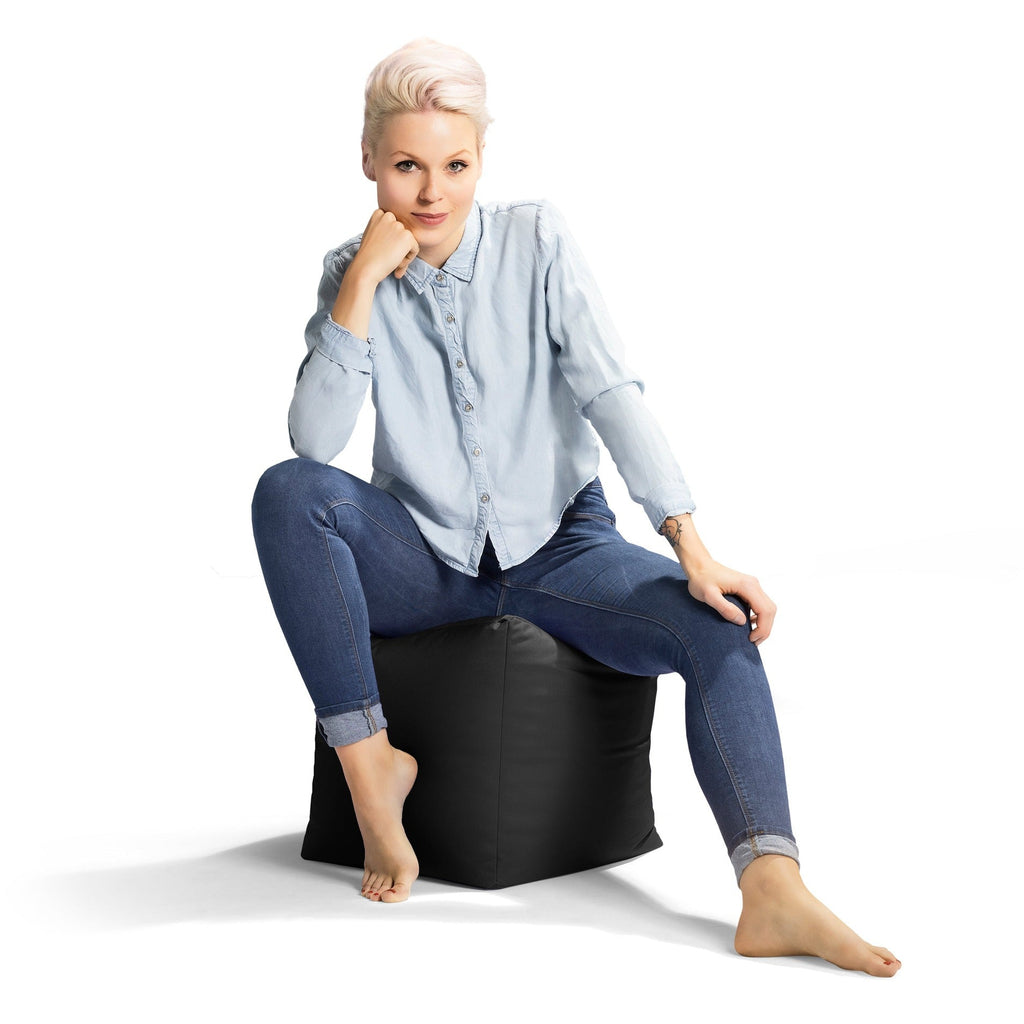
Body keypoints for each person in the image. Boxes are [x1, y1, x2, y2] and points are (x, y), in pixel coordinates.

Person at [251, 39, 901, 977]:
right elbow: (315, 443)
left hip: (562, 549)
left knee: (715, 626)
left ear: (482, 158)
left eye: (456, 165)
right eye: (407, 167)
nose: (432, 193)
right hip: (424, 561)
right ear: (369, 163)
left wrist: (692, 546)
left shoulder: (537, 241)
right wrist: (360, 284)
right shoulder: (348, 272)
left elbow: (611, 391)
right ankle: (370, 770)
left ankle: (772, 888)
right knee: (288, 492)